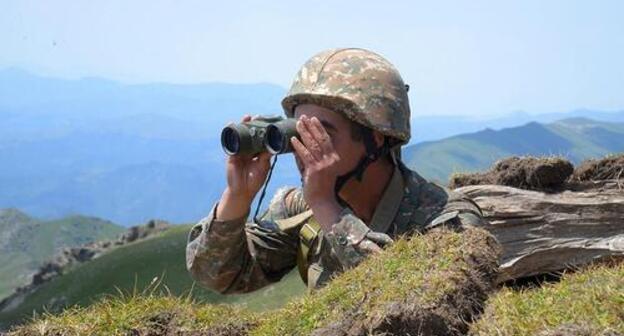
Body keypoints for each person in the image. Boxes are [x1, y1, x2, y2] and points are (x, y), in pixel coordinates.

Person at [186, 48, 486, 293]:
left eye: (322, 133)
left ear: (375, 138)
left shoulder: (447, 219)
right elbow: (220, 275)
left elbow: (410, 304)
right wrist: (237, 198)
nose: (306, 147)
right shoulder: (297, 208)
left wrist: (327, 206)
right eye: (298, 131)